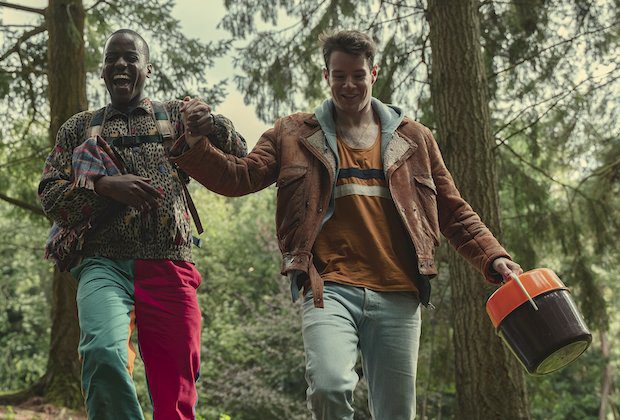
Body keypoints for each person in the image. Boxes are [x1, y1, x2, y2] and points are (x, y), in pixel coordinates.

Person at [172, 30, 522, 419]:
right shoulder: (293, 133)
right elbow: (241, 177)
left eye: (358, 75)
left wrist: (494, 257)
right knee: (329, 388)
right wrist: (196, 144)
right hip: (329, 288)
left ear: (374, 73)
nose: (349, 85)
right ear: (327, 76)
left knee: (396, 413)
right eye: (339, 76)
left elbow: (452, 210)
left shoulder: (415, 139)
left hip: (398, 292)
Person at [38, 29, 246, 419]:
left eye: (131, 58)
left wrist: (212, 124)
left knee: (176, 386)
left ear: (147, 69)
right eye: (112, 58)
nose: (120, 64)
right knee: (101, 352)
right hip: (102, 263)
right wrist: (104, 186)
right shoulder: (78, 128)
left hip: (170, 263)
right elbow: (50, 196)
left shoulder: (176, 117)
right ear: (102, 71)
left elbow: (239, 154)